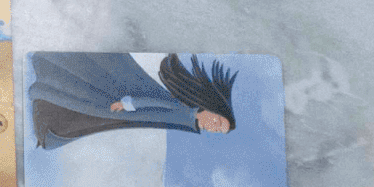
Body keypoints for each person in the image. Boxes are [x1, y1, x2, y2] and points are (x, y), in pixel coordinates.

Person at [27, 51, 238, 150]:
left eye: (218, 131)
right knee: (85, 107)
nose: (214, 128)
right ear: (212, 109)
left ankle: (47, 118)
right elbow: (158, 103)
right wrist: (128, 104)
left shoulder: (188, 119)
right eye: (219, 122)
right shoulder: (186, 111)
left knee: (87, 114)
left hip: (127, 117)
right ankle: (46, 116)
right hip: (126, 109)